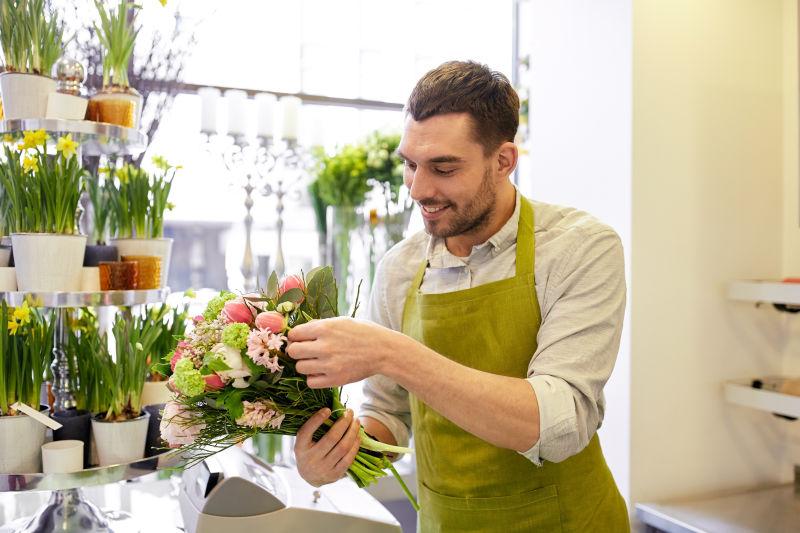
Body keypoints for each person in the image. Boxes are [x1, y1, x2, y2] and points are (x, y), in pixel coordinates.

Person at [286, 60, 629, 532]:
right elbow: (388, 411)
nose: (419, 189)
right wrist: (334, 456)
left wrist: (391, 351)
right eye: (410, 164)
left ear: (504, 160)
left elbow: (558, 424)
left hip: (566, 521)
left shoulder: (579, 247)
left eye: (444, 168)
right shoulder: (400, 269)